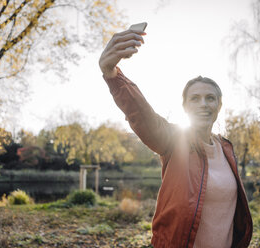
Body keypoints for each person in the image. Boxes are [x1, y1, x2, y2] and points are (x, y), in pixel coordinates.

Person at [99, 28, 252, 248]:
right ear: (185, 107)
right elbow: (143, 116)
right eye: (195, 98)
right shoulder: (175, 140)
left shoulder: (226, 149)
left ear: (219, 105)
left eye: (210, 98)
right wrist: (113, 75)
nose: (203, 104)